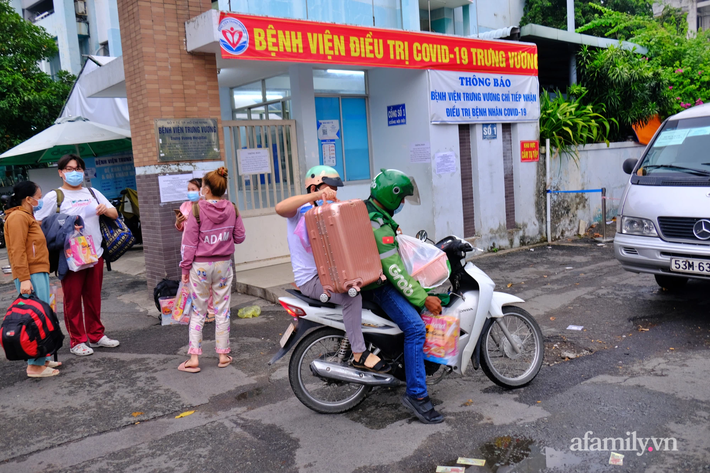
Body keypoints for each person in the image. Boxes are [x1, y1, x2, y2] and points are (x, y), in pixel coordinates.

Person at [275, 166, 390, 373]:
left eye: (335, 189)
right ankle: (358, 353)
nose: (333, 192)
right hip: (311, 280)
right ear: (313, 187)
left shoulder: (325, 213)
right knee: (350, 298)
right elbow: (280, 208)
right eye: (329, 188)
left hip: (330, 274)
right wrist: (318, 195)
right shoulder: (299, 213)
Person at [363, 169, 444, 424]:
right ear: (391, 196)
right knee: (416, 328)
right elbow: (394, 271)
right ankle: (417, 396)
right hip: (378, 285)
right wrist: (423, 298)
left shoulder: (371, 212)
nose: (402, 205)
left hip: (373, 279)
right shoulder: (378, 226)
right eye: (401, 199)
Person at [34, 154, 120, 356]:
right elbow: (38, 222)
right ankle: (77, 341)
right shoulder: (54, 196)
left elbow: (115, 213)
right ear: (61, 172)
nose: (74, 173)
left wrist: (105, 209)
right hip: (70, 257)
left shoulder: (92, 192)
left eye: (78, 169)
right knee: (72, 300)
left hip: (94, 254)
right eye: (70, 169)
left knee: (93, 298)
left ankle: (97, 335)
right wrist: (63, 222)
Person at [178, 167, 245, 373]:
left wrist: (185, 268)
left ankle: (194, 358)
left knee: (198, 311)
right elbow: (240, 237)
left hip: (200, 266)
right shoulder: (232, 208)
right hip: (224, 265)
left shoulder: (197, 210)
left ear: (206, 190)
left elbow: (189, 244)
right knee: (222, 310)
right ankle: (223, 355)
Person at [4, 181, 62, 377]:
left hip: (35, 272)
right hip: (30, 274)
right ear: (28, 199)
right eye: (39, 195)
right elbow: (16, 250)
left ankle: (41, 358)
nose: (41, 199)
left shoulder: (26, 216)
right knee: (34, 318)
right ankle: (34, 366)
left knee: (41, 316)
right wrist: (24, 278)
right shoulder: (18, 217)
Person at [175, 178, 215, 323]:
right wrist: (179, 221)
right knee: (192, 281)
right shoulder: (184, 206)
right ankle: (198, 309)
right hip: (186, 248)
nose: (190, 192)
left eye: (193, 189)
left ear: (201, 190)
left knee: (206, 281)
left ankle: (211, 310)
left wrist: (192, 219)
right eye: (189, 189)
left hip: (201, 248)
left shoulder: (205, 206)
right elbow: (180, 228)